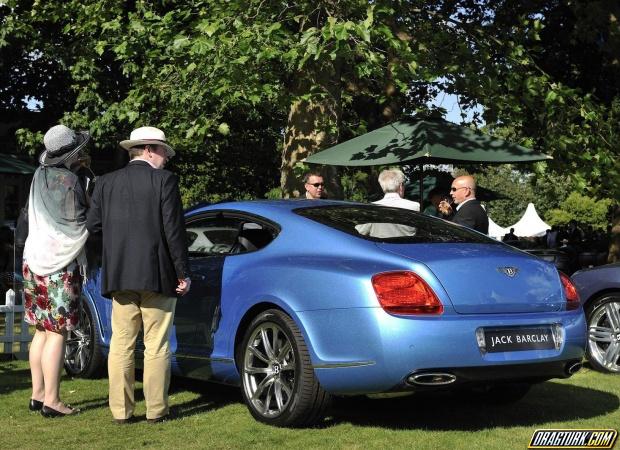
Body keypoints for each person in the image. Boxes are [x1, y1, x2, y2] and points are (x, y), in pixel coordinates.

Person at [86, 126, 190, 424]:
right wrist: (183, 271)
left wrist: (113, 248)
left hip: (119, 273)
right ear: (148, 150)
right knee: (156, 343)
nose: (166, 159)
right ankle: (156, 411)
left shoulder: (105, 183)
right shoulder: (164, 181)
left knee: (122, 343)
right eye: (163, 152)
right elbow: (174, 230)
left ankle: (121, 411)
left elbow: (92, 228)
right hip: (157, 274)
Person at [22, 124, 91, 417]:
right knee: (58, 332)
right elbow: (80, 221)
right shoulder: (70, 180)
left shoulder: (39, 175)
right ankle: (53, 400)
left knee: (40, 330)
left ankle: (37, 394)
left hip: (32, 259)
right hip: (60, 264)